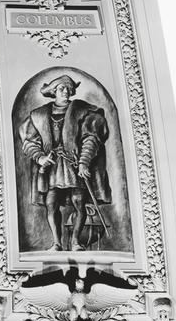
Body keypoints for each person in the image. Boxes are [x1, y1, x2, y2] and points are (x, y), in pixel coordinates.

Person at [19, 75, 111, 251]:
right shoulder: (38, 115)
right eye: (62, 88)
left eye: (69, 89)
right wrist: (40, 157)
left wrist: (84, 162)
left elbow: (91, 139)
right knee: (51, 203)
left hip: (74, 164)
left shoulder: (84, 111)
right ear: (54, 91)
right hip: (52, 166)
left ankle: (75, 242)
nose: (66, 92)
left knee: (79, 201)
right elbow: (30, 142)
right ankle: (57, 243)